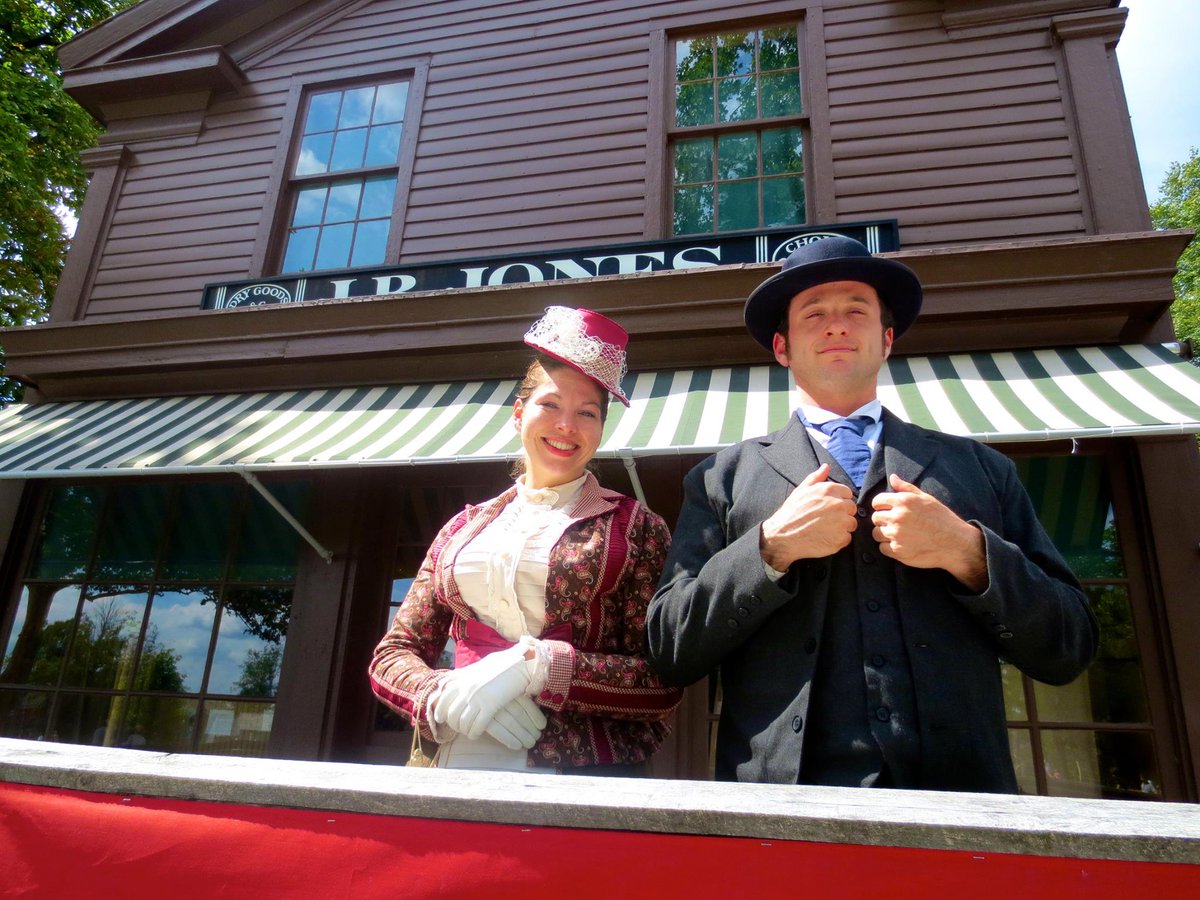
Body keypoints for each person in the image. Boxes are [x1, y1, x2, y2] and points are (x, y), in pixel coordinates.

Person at [646, 235, 1098, 792]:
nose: (836, 326)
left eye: (856, 311)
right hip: (782, 804)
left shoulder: (984, 469)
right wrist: (768, 550)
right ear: (783, 347)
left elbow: (1069, 647)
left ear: (886, 340)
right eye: (814, 314)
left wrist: (968, 553)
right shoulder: (720, 478)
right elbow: (669, 649)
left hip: (961, 801)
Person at [370, 306, 681, 774]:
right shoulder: (462, 529)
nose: (566, 426)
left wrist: (539, 667)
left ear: (601, 430)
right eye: (550, 405)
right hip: (455, 763)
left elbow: (661, 682)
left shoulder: (637, 529)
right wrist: (439, 694)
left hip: (582, 777)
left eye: (587, 413)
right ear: (519, 414)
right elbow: (394, 654)